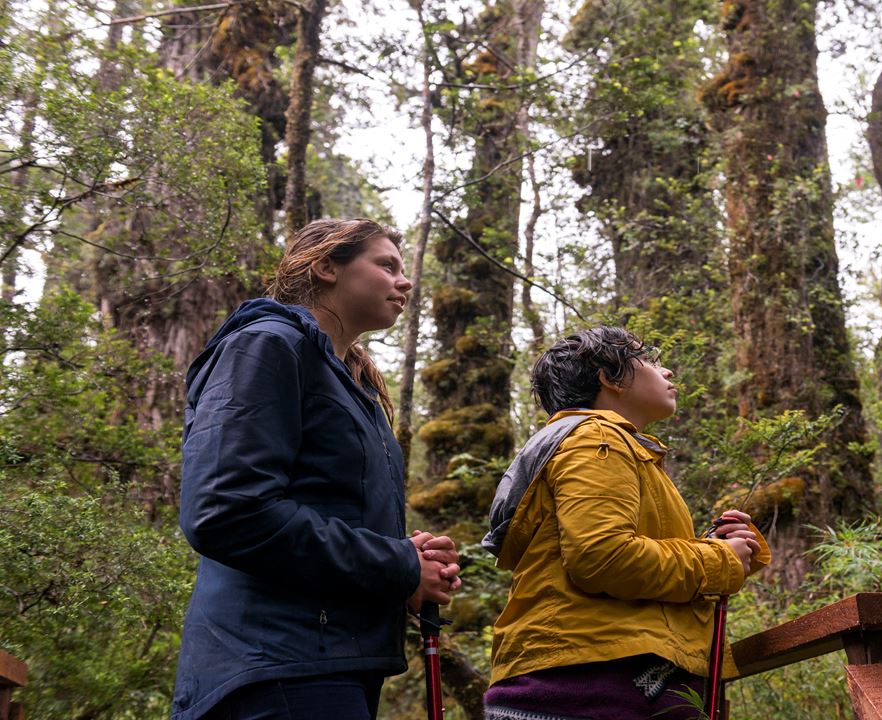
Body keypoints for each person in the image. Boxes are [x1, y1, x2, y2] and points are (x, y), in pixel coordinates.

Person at [171, 218, 462, 720]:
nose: (406, 280)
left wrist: (407, 575)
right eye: (386, 265)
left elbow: (332, 513)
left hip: (327, 661)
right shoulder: (267, 345)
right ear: (327, 266)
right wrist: (397, 563)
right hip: (275, 667)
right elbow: (226, 510)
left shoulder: (356, 387)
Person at [482, 326, 770, 720]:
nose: (666, 371)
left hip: (597, 678)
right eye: (648, 358)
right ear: (609, 378)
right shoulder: (597, 439)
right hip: (594, 685)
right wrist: (718, 560)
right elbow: (603, 557)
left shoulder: (616, 449)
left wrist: (722, 552)